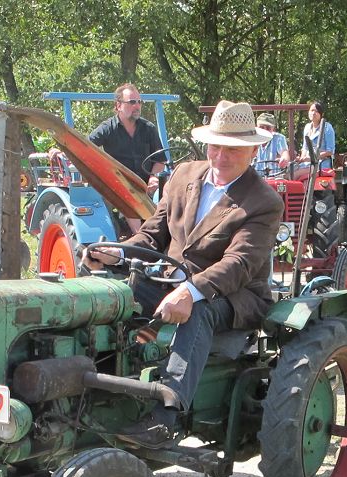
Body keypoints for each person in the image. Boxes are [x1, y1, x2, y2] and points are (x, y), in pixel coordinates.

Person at [83, 100, 283, 448]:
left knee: (198, 310)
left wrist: (190, 291)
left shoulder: (263, 202)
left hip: (234, 295)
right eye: (215, 146)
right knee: (109, 295)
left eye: (233, 149)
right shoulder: (184, 176)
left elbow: (238, 264)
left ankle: (166, 417)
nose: (221, 156)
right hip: (170, 280)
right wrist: (116, 252)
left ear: (253, 150)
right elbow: (152, 235)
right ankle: (93, 387)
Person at [88, 83, 165, 195]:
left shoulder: (149, 128)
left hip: (146, 191)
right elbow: (84, 146)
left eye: (139, 102)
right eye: (132, 102)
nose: (137, 106)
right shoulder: (107, 128)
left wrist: (154, 177)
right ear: (119, 105)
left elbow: (160, 160)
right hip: (117, 192)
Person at [294, 100, 335, 179]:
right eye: (311, 110)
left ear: (321, 114)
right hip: (306, 163)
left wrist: (311, 158)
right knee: (288, 170)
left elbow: (330, 151)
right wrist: (302, 158)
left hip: (321, 164)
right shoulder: (307, 127)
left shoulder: (327, 127)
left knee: (294, 174)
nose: (313, 113)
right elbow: (305, 147)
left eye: (316, 111)